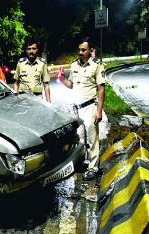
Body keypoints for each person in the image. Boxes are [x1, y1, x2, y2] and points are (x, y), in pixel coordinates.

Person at [58, 37, 106, 181]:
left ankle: (94, 168)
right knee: (80, 139)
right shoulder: (74, 66)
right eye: (79, 50)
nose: (80, 52)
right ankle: (83, 163)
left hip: (90, 107)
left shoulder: (97, 66)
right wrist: (62, 80)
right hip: (76, 109)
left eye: (83, 50)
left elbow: (101, 89)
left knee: (92, 139)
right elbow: (71, 85)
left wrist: (99, 110)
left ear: (91, 51)